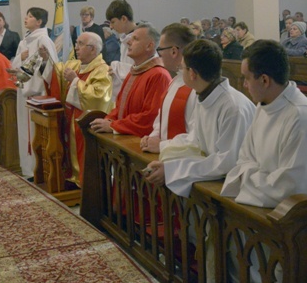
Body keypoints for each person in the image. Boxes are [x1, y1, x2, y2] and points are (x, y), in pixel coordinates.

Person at [221, 40, 307, 208]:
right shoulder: (264, 106)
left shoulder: (301, 118)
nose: (244, 85)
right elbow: (244, 158)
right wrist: (257, 177)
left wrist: (249, 177)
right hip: (270, 207)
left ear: (264, 80)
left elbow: (292, 189)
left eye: (246, 78)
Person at [144, 39, 255, 197]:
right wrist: (163, 148)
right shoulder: (205, 96)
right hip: (211, 181)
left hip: (232, 190)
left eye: (182, 67)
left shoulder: (232, 107)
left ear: (192, 73)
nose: (180, 71)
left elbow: (227, 162)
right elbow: (195, 139)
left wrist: (173, 169)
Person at [39, 31, 112, 186]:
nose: (76, 47)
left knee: (83, 150)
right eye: (76, 43)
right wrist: (46, 60)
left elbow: (98, 97)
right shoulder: (76, 65)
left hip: (87, 121)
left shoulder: (102, 70)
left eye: (80, 44)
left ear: (93, 49)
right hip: (70, 116)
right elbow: (56, 71)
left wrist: (75, 81)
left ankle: (83, 182)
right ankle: (72, 175)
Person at [90, 23, 171, 137]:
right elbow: (119, 106)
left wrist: (114, 125)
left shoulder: (158, 75)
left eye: (135, 39)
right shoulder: (134, 71)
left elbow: (150, 117)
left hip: (141, 143)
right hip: (125, 138)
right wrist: (109, 120)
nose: (128, 42)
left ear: (149, 46)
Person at [11, 7, 58, 180]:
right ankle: (28, 168)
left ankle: (39, 169)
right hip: (23, 91)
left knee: (35, 131)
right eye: (26, 15)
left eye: (30, 16)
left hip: (37, 93)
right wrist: (21, 58)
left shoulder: (43, 40)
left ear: (39, 22)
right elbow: (15, 65)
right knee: (25, 130)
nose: (26, 18)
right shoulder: (24, 41)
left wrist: (45, 60)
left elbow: (53, 67)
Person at [139, 23, 197, 153]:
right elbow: (162, 120)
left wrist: (162, 146)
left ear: (174, 51)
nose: (159, 56)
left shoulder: (196, 88)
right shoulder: (174, 82)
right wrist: (152, 137)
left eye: (160, 51)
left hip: (182, 162)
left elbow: (197, 138)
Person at [105, 0, 136, 99]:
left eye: (113, 22)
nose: (111, 27)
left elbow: (142, 72)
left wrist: (116, 67)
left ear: (123, 19)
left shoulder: (141, 40)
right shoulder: (125, 39)